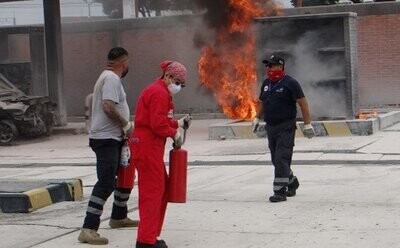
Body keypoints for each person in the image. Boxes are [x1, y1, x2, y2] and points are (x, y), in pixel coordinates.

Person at [78, 47, 138, 245]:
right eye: (127, 62)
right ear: (123, 62)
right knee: (106, 183)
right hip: (106, 139)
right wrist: (125, 124)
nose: (128, 66)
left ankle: (119, 216)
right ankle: (88, 228)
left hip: (113, 138)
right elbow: (108, 106)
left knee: (124, 177)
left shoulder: (107, 77)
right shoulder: (112, 79)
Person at [130, 60, 191, 248]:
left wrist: (177, 124)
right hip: (147, 148)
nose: (179, 87)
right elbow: (157, 124)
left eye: (182, 84)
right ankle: (146, 241)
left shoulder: (160, 91)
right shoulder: (158, 93)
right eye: (178, 82)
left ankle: (150, 235)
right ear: (168, 76)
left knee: (160, 190)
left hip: (149, 147)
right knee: (152, 193)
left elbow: (160, 119)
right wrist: (174, 133)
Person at [252, 54, 315, 203]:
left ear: (280, 66)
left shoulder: (290, 83)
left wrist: (307, 124)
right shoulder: (267, 83)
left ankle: (279, 192)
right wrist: (256, 118)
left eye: (272, 65)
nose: (269, 68)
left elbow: (303, 103)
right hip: (271, 126)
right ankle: (292, 181)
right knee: (276, 159)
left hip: (286, 126)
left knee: (282, 157)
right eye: (267, 66)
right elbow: (262, 103)